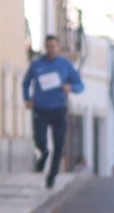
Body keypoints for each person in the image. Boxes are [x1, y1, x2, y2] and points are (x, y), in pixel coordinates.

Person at [22, 34, 85, 188]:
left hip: (58, 109)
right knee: (40, 141)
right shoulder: (37, 64)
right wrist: (27, 99)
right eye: (48, 46)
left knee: (58, 144)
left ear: (58, 48)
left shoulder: (65, 65)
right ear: (45, 47)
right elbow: (26, 82)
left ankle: (52, 176)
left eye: (53, 46)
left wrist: (70, 87)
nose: (51, 49)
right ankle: (43, 155)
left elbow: (80, 85)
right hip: (40, 109)